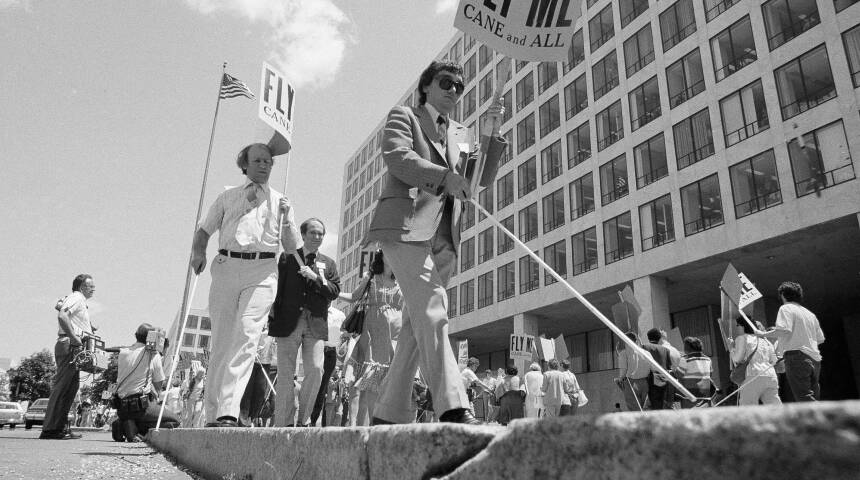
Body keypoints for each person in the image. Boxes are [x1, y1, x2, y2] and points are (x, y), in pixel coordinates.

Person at [365, 60, 507, 426]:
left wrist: (491, 132)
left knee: (417, 325)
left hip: (446, 238)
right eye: (446, 83)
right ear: (426, 86)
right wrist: (444, 176)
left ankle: (388, 413)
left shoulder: (461, 132)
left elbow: (478, 179)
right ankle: (453, 406)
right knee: (433, 307)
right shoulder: (404, 116)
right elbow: (398, 158)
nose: (454, 90)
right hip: (405, 227)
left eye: (459, 86)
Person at [189, 142, 297, 428]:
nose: (265, 165)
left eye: (269, 162)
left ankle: (229, 410)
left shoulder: (281, 201)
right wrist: (198, 252)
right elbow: (203, 230)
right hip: (227, 266)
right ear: (245, 164)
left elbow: (291, 247)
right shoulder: (227, 197)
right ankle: (212, 413)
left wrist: (286, 220)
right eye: (259, 160)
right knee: (223, 340)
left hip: (262, 271)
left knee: (247, 336)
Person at [270, 218, 341, 427]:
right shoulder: (287, 258)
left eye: (321, 233)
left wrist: (316, 278)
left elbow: (334, 291)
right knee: (285, 374)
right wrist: (271, 319)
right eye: (313, 232)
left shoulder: (329, 263)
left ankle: (304, 420)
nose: (317, 237)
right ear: (302, 235)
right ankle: (283, 422)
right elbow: (277, 290)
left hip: (316, 324)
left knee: (316, 369)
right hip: (288, 322)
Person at [338, 250, 403, 425]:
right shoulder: (371, 277)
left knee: (391, 378)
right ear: (382, 257)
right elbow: (353, 297)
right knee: (374, 377)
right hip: (375, 331)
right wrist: (329, 290)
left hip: (397, 334)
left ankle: (384, 421)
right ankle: (375, 423)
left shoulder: (402, 280)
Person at [41, 274, 97, 440]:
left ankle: (61, 427)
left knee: (70, 389)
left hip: (74, 346)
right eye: (90, 286)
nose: (93, 289)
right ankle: (50, 428)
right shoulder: (77, 297)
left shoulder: (78, 300)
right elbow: (63, 315)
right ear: (81, 287)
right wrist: (74, 337)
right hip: (70, 345)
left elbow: (61, 309)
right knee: (62, 387)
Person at [759, 281, 825, 402]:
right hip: (815, 359)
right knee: (813, 396)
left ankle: (825, 420)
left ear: (783, 295)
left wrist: (763, 334)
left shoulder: (785, 308)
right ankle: (818, 419)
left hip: (796, 357)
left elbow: (784, 330)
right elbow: (820, 339)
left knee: (804, 398)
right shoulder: (810, 314)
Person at [112, 324, 179, 441]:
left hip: (122, 408)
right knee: (175, 421)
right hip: (141, 408)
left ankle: (125, 423)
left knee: (136, 412)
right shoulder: (152, 354)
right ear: (152, 338)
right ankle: (136, 428)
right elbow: (159, 385)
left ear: (136, 336)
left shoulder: (123, 352)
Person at [729, 317, 781, 406]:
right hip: (770, 376)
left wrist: (731, 348)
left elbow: (737, 359)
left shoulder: (742, 338)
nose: (737, 328)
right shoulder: (766, 341)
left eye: (737, 325)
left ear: (743, 326)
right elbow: (774, 361)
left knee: (748, 409)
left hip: (752, 375)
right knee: (775, 408)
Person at [310, 306, 346, 427]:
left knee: (323, 388)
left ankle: (314, 420)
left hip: (330, 353)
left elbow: (344, 336)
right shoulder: (314, 310)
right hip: (316, 349)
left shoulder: (339, 315)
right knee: (313, 384)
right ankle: (307, 418)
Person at [239, 329, 277, 426]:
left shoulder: (273, 321)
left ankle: (252, 418)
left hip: (266, 362)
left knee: (261, 391)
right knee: (247, 391)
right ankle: (243, 416)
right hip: (251, 360)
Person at [615, 332, 651, 412]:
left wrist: (620, 379)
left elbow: (623, 371)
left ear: (625, 340)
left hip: (630, 383)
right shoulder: (647, 353)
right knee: (646, 409)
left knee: (635, 410)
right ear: (636, 341)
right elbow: (652, 367)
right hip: (645, 382)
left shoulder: (623, 353)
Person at [674, 337, 714, 408]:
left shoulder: (685, 359)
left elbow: (678, 375)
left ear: (686, 348)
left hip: (689, 396)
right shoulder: (708, 359)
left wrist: (674, 369)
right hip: (705, 396)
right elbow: (710, 375)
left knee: (689, 417)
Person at [642, 328, 672, 410]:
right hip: (663, 379)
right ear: (660, 338)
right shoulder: (666, 350)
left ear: (648, 337)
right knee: (660, 403)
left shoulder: (644, 347)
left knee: (650, 404)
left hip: (650, 379)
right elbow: (669, 366)